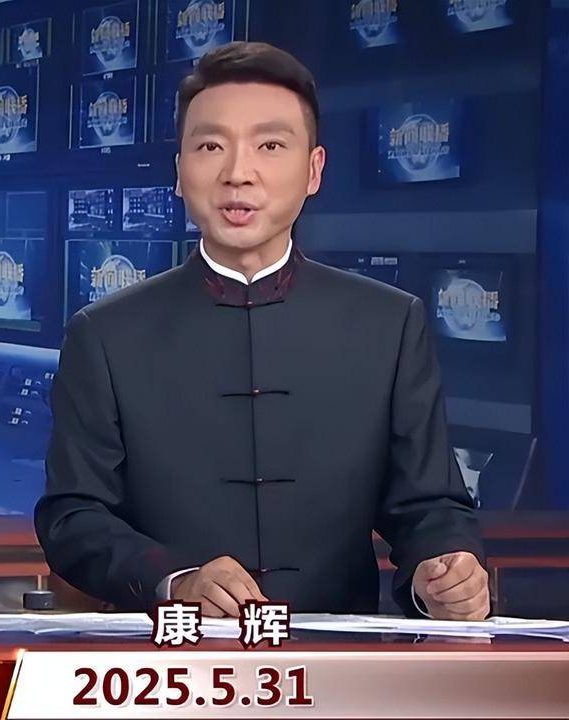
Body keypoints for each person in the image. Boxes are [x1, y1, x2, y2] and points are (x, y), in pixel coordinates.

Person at [35, 41, 490, 621]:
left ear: (314, 170)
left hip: (339, 662)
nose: (237, 174)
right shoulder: (104, 335)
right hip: (170, 660)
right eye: (210, 146)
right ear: (179, 172)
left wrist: (443, 571)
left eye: (270, 146)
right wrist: (174, 581)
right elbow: (73, 516)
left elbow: (429, 507)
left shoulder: (389, 323)